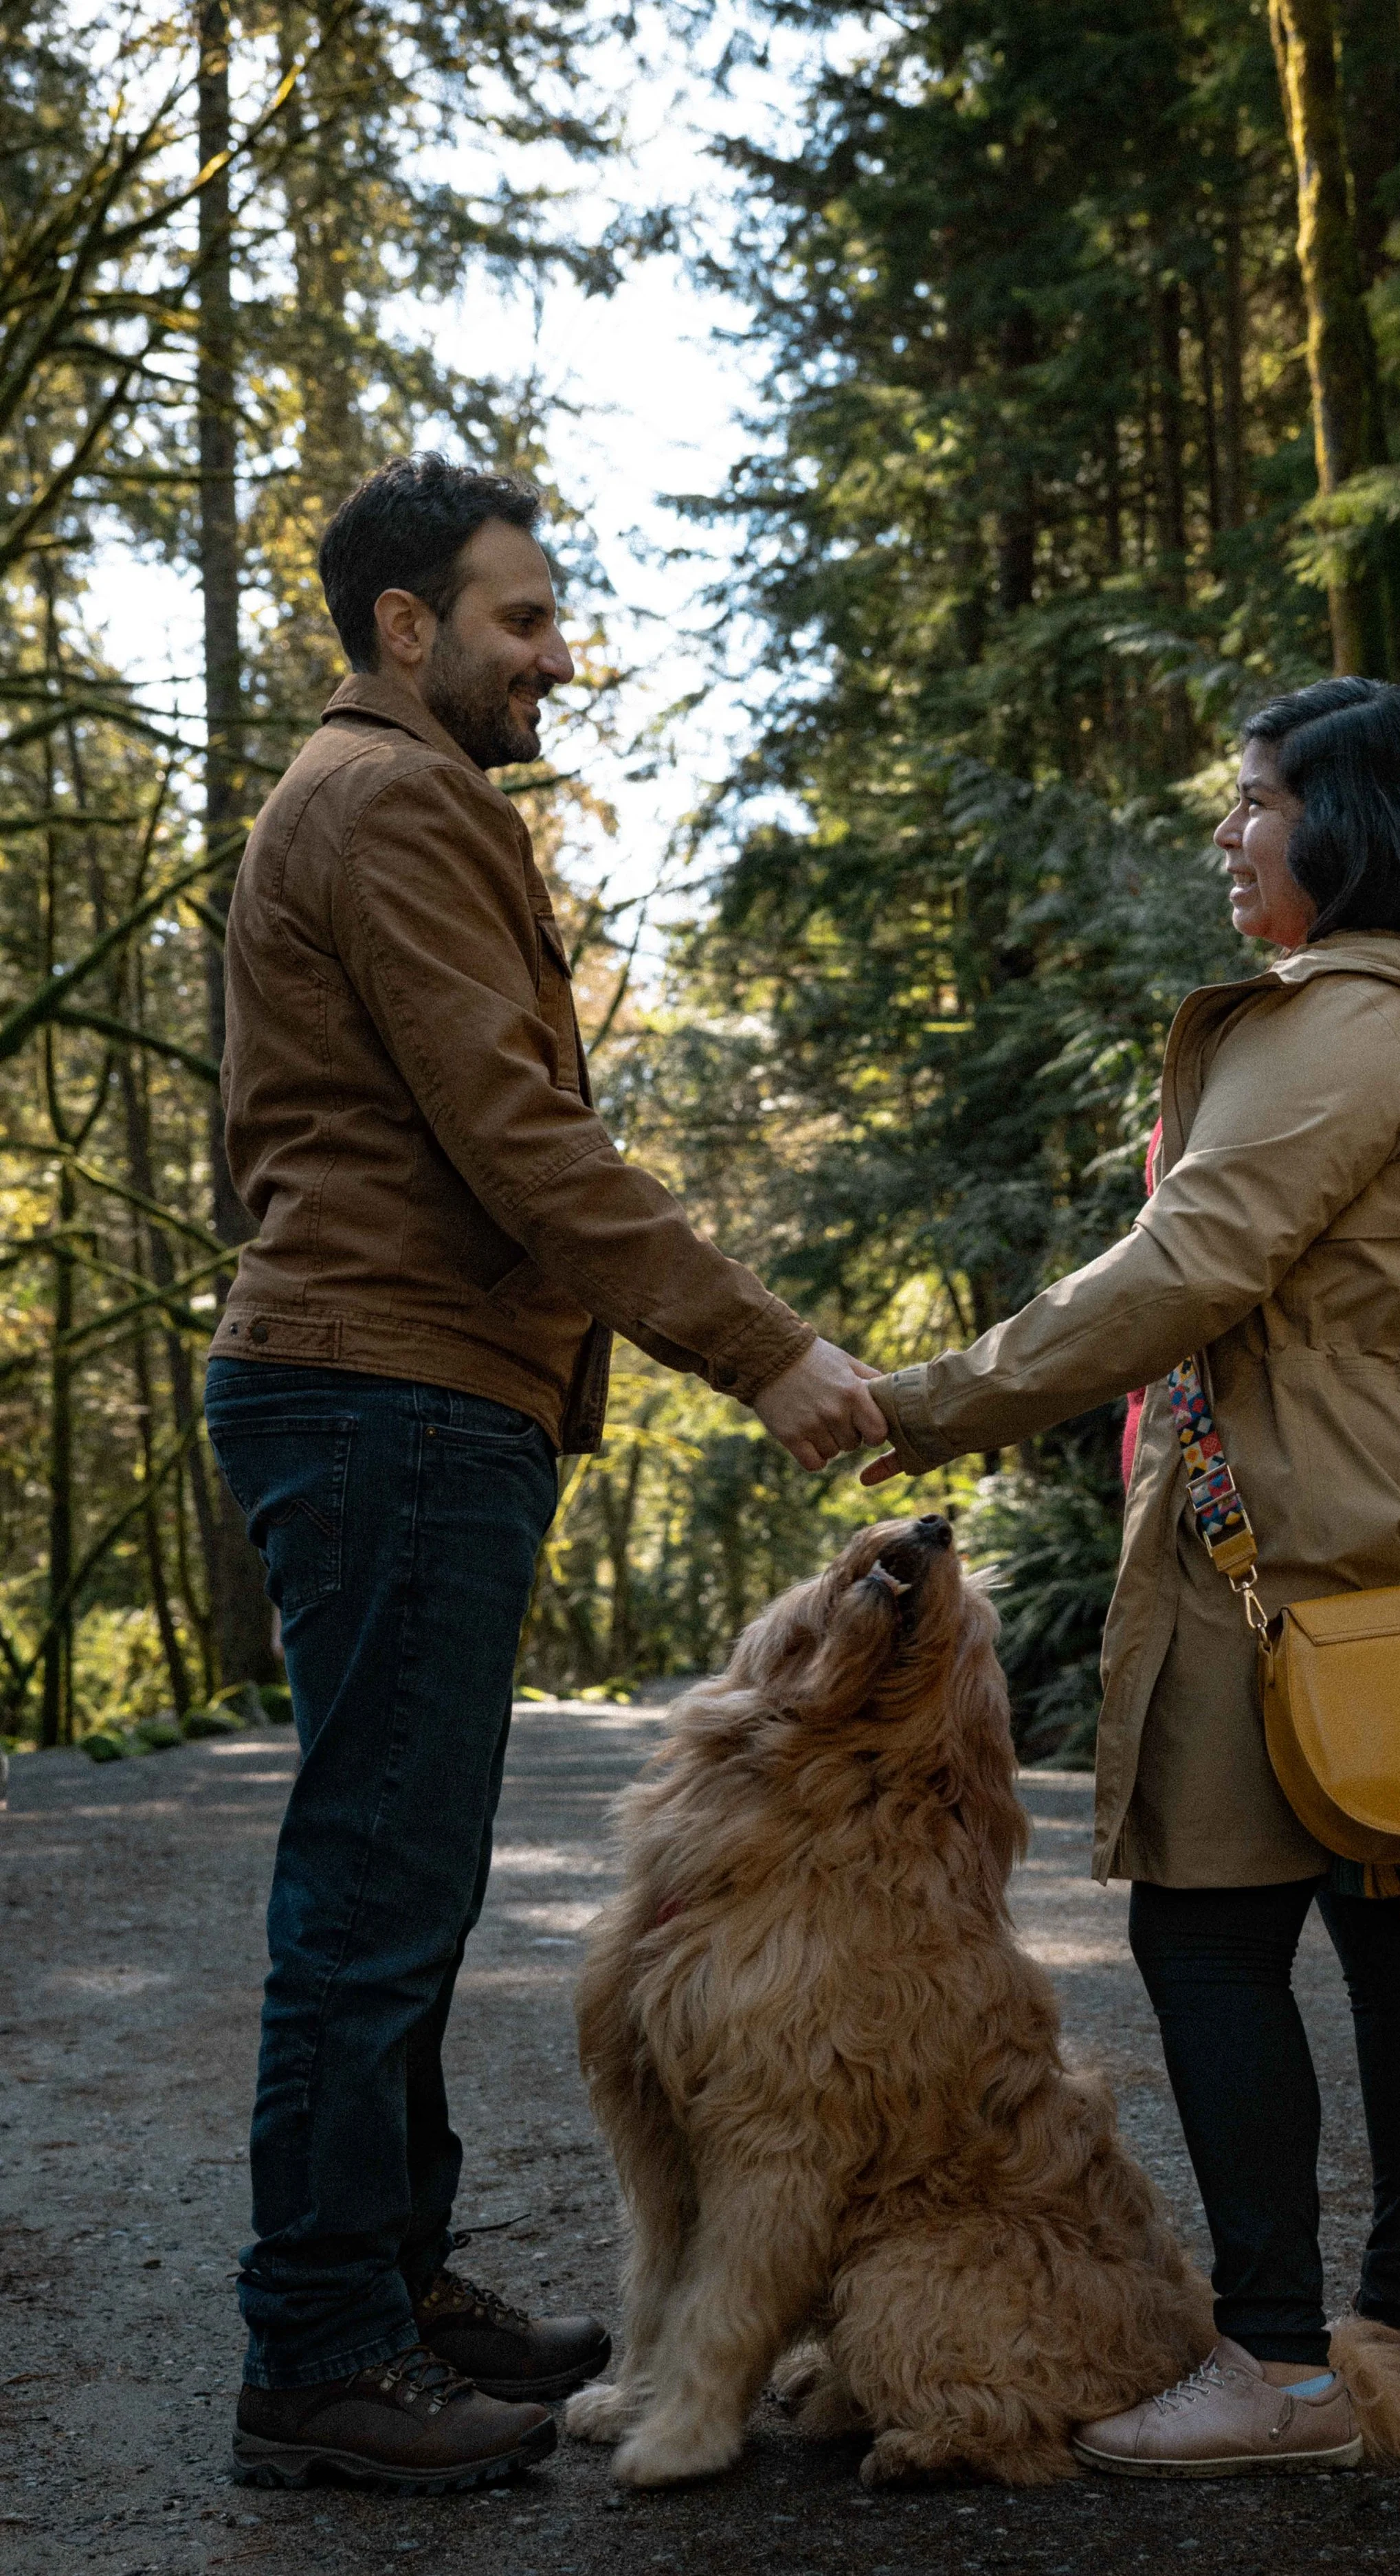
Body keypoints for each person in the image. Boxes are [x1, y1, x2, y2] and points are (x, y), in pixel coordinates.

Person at [207, 452, 887, 2494]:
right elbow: (519, 1139)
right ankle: (317, 2344)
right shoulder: (395, 798)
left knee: (396, 1871)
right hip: (389, 1387)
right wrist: (759, 1348)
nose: (557, 656)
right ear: (405, 626)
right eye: (520, 616)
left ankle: (389, 2286)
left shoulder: (374, 802)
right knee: (372, 1891)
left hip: (398, 1386)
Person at [860, 677, 1400, 2476]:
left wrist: (923, 1403)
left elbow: (1178, 1265)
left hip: (1294, 1540)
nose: (1225, 832)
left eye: (1252, 798)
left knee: (1206, 1923)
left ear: (1346, 822)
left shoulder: (1346, 1018)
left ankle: (1278, 2364)